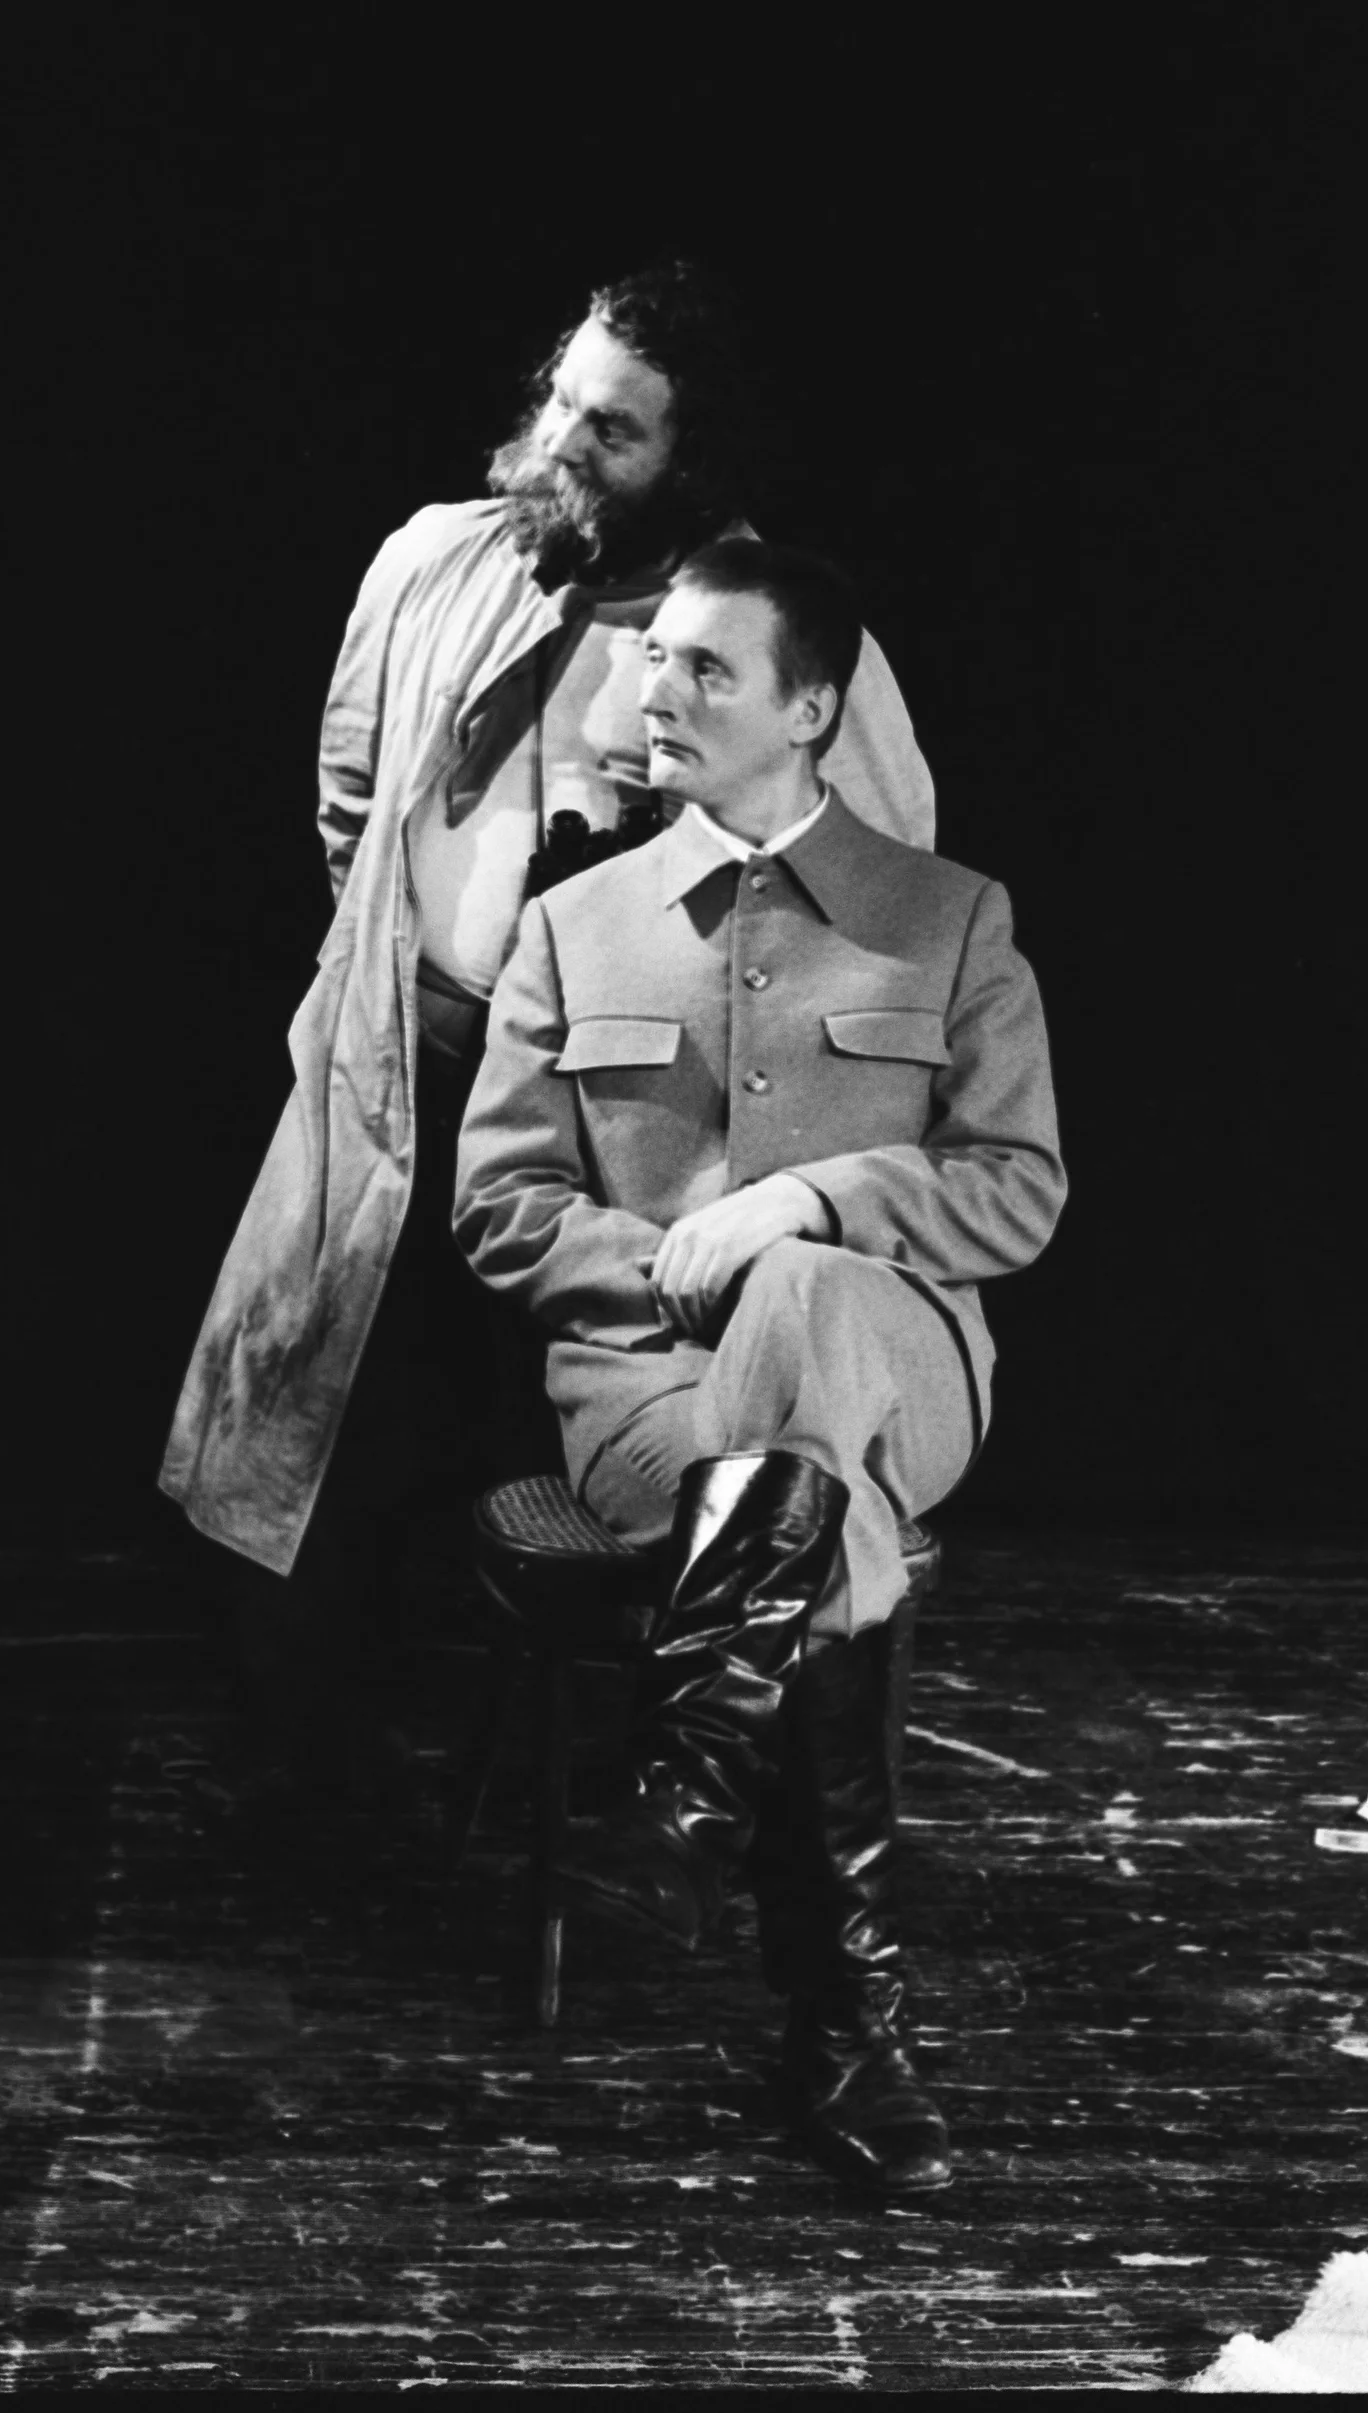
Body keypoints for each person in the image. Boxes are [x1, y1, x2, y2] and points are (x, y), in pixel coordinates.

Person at [159, 264, 938, 1630]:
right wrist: (409, 979)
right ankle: (325, 1708)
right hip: (416, 1077)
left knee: (595, 1442)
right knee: (350, 1436)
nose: (563, 441)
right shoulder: (433, 561)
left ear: (692, 461)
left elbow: (878, 890)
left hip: (634, 1124)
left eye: (614, 428)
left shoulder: (780, 629)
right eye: (562, 402)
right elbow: (353, 798)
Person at [452, 538, 1066, 2192]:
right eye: (654, 658)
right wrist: (681, 1261)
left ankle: (689, 1777)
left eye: (706, 668)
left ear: (810, 709)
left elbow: (1017, 1191)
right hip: (647, 1397)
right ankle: (847, 2028)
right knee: (815, 1516)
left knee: (804, 1293)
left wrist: (813, 1203)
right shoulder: (573, 927)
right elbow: (500, 1211)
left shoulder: (949, 917)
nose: (657, 691)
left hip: (903, 1365)